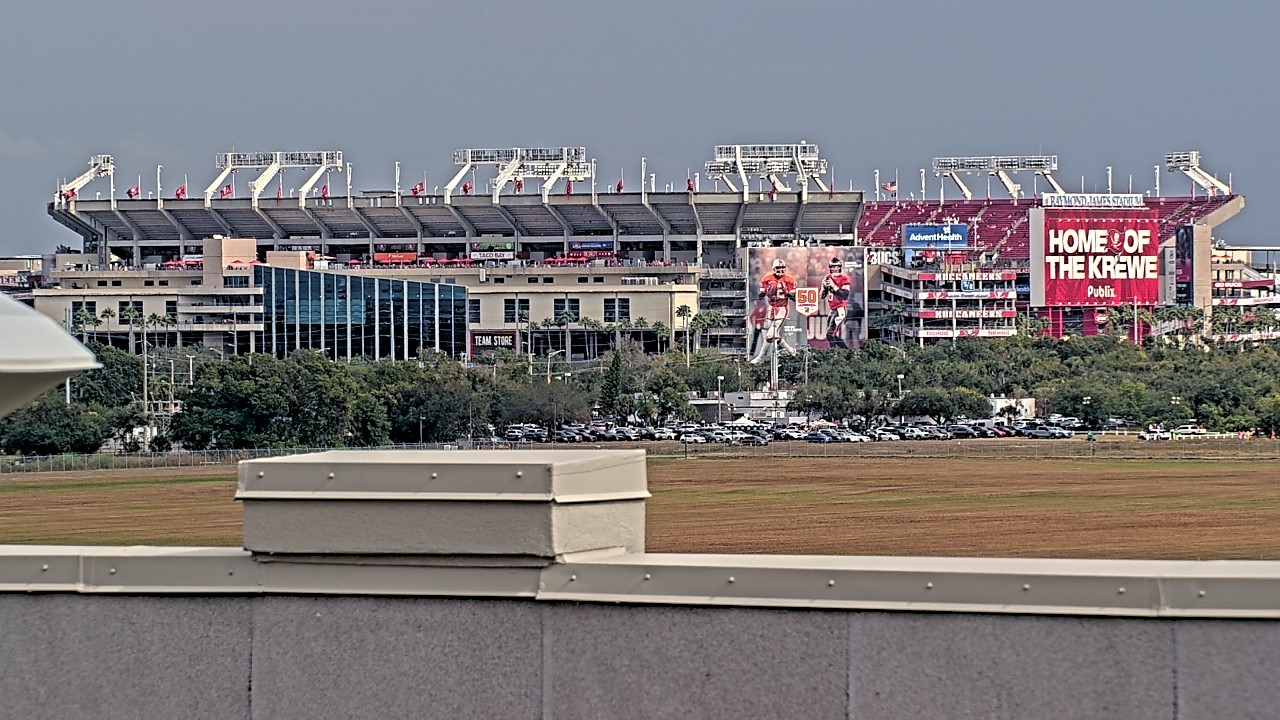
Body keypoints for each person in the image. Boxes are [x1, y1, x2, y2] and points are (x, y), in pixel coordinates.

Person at [750, 258, 797, 364]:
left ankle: (760, 357)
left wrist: (787, 292)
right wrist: (767, 291)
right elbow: (760, 296)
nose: (780, 270)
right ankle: (791, 350)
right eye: (778, 268)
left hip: (782, 309)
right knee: (773, 335)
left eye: (782, 268)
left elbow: (795, 299)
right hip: (771, 308)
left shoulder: (789, 279)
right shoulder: (767, 278)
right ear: (774, 269)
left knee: (770, 334)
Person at [820, 257, 852, 349]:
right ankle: (847, 351)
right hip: (832, 309)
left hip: (840, 309)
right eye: (833, 267)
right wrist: (824, 287)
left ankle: (833, 354)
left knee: (830, 334)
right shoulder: (827, 278)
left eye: (837, 267)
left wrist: (834, 286)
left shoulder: (844, 278)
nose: (835, 269)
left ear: (840, 267)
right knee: (830, 335)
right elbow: (822, 296)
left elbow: (845, 295)